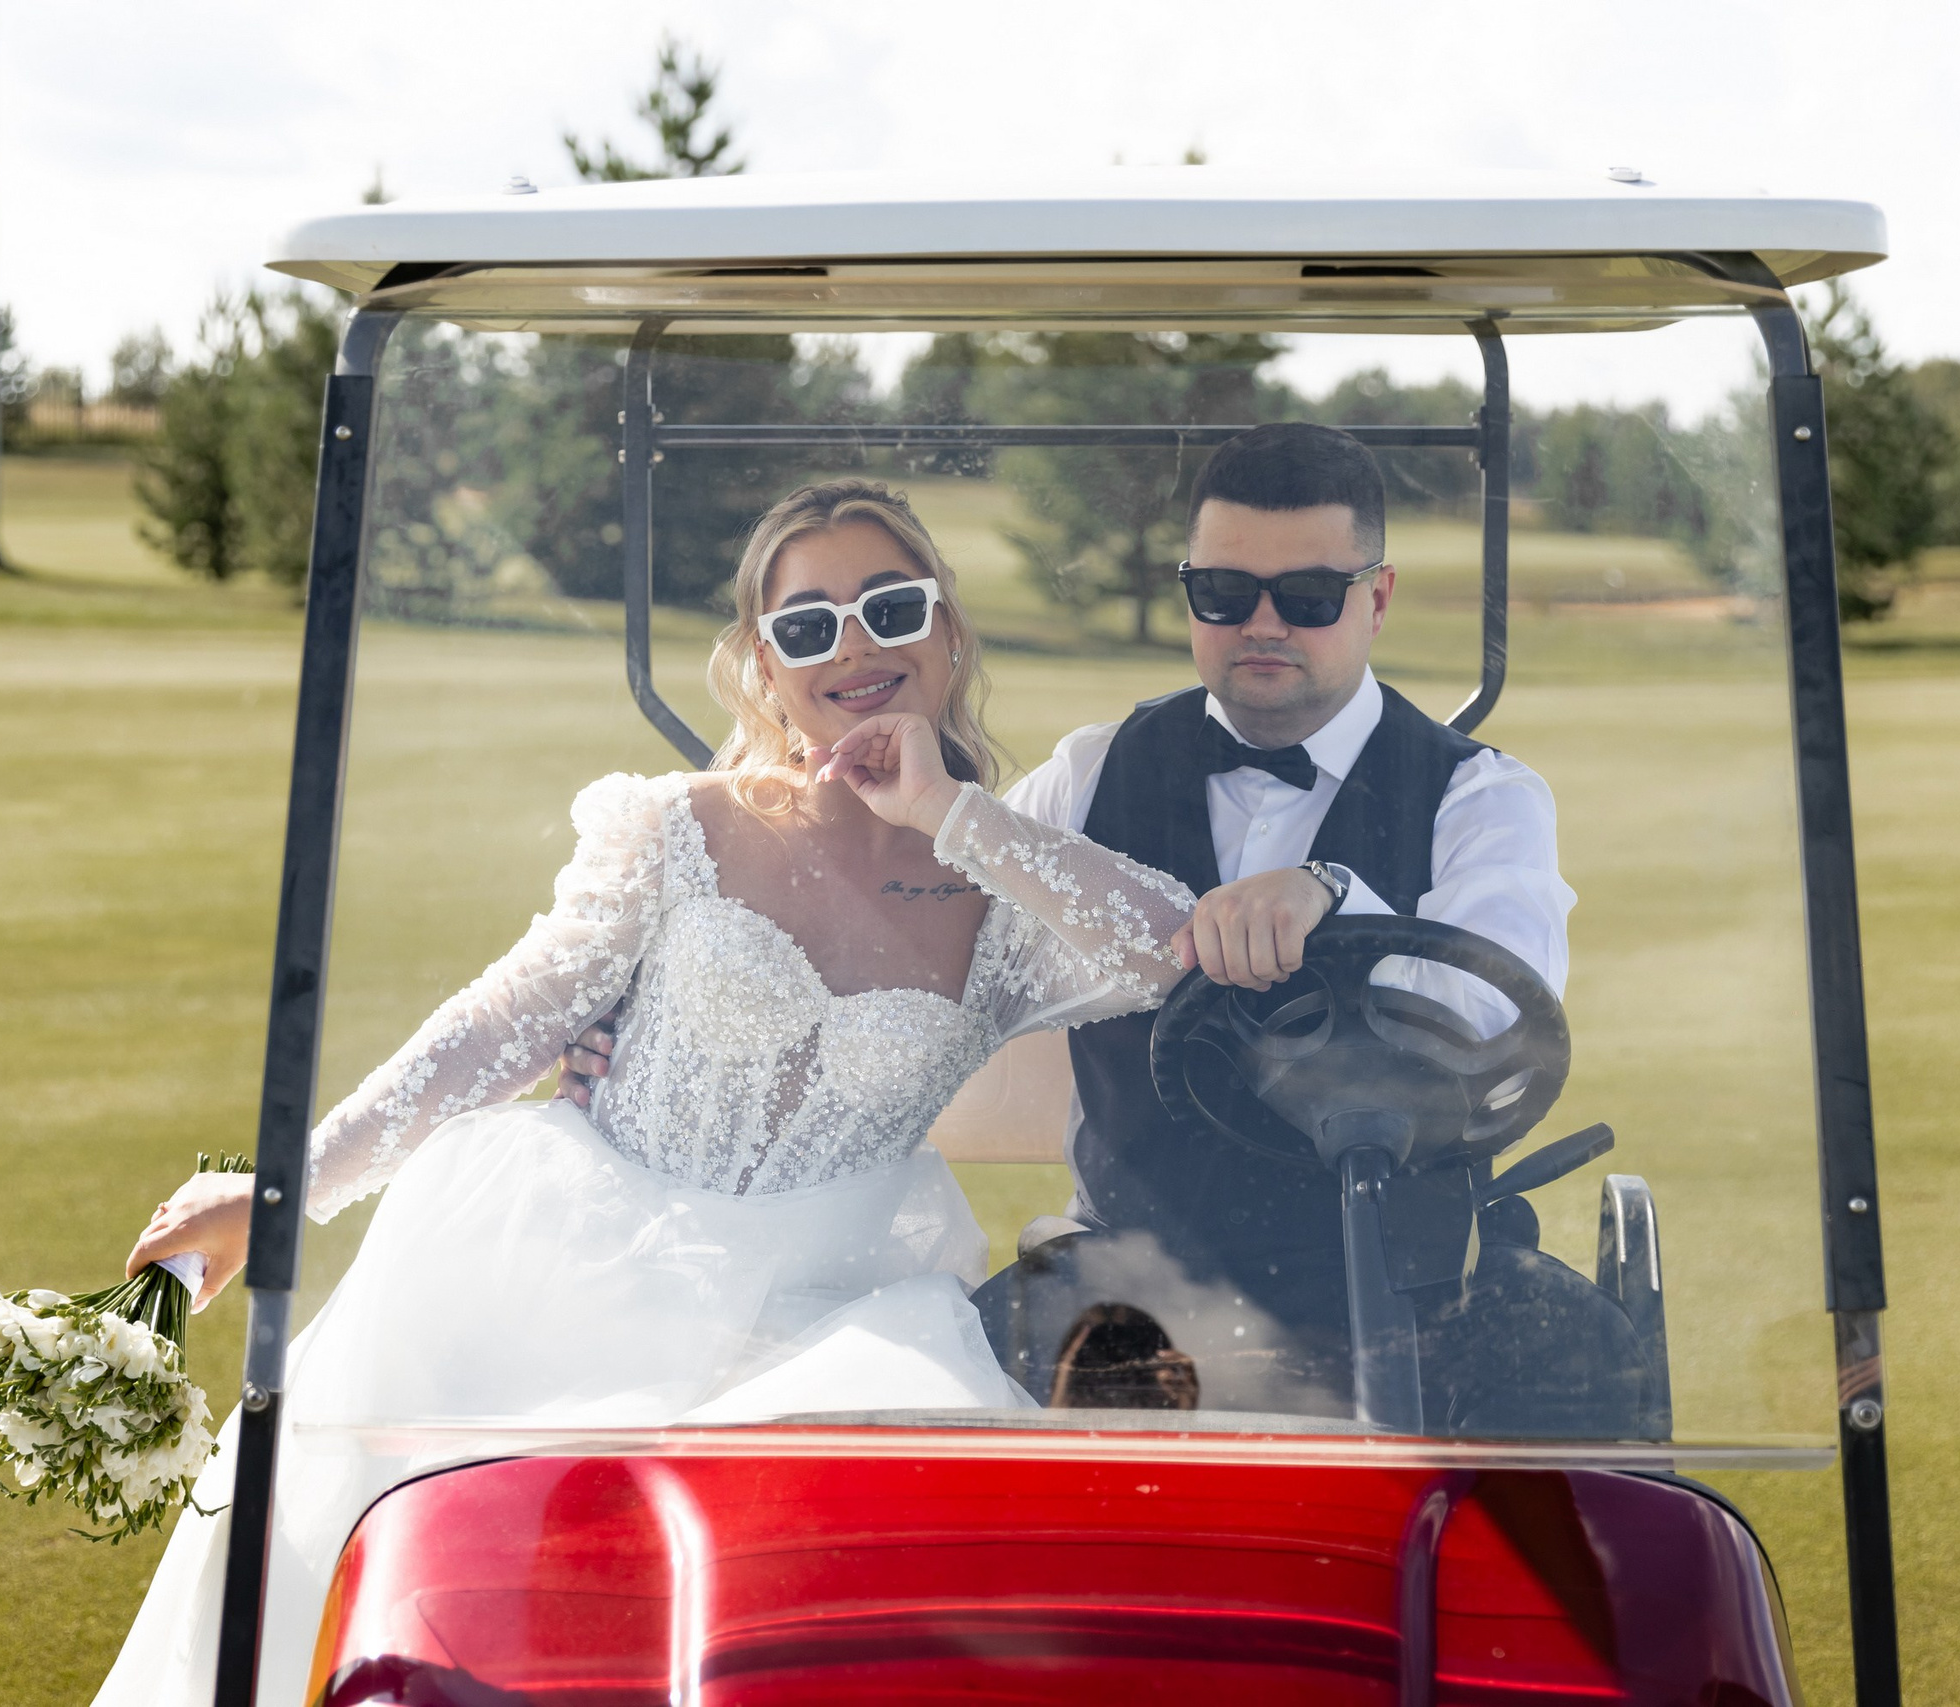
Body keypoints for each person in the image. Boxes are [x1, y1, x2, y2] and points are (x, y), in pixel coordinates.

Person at [92, 478, 1205, 1707]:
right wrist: (293, 1189)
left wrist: (945, 807)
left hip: (830, 1309)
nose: (854, 646)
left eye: (891, 607)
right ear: (761, 669)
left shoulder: (1000, 898)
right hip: (586, 1264)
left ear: (947, 634)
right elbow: (506, 1023)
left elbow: (1168, 946)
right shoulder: (677, 828)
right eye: (806, 625)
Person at [558, 422, 1575, 1416]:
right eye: (1223, 593)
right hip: (1127, 1305)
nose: (1262, 624)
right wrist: (659, 1027)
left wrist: (1334, 892)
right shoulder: (1094, 773)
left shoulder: (1483, 798)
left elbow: (1487, 1013)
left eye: (1307, 596)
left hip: (1395, 1303)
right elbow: (902, 940)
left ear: (1377, 598)